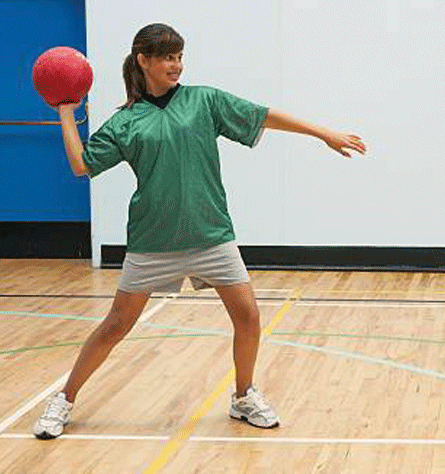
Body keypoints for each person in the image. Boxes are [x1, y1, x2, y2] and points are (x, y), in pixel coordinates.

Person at [33, 23, 367, 439]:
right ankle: (63, 399)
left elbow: (262, 115)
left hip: (211, 234)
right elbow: (82, 165)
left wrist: (323, 134)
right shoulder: (126, 122)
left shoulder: (203, 101)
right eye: (168, 57)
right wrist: (66, 113)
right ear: (144, 61)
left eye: (179, 56)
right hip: (153, 241)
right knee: (116, 326)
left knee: (247, 316)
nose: (176, 65)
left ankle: (243, 395)